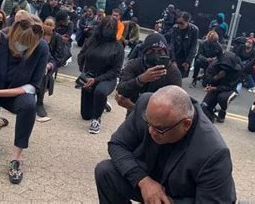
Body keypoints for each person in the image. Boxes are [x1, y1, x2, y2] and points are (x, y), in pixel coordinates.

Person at [95, 85, 237, 203]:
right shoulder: (147, 106)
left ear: (186, 124)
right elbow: (117, 144)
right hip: (151, 181)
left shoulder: (213, 152)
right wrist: (143, 181)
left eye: (159, 129)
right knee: (106, 171)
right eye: (148, 123)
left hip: (184, 198)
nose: (151, 131)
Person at [0, 15, 48, 184]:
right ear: (12, 32)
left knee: (29, 104)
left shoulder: (41, 47)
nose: (21, 50)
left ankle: (16, 158)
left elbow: (32, 86)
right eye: (20, 43)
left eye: (27, 47)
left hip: (14, 95)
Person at [77, 16, 124, 134]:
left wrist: (96, 80)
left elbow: (116, 71)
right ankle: (101, 104)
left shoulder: (118, 47)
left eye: (111, 28)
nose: (108, 30)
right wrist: (84, 74)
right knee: (85, 115)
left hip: (107, 78)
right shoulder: (92, 41)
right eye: (106, 27)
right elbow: (81, 56)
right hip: (90, 76)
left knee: (100, 91)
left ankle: (96, 120)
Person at [116, 33, 182, 114]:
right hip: (133, 117)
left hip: (158, 122)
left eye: (160, 52)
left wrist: (132, 107)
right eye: (151, 51)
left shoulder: (173, 72)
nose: (156, 55)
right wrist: (141, 79)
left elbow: (173, 107)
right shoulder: (134, 65)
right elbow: (121, 90)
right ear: (144, 52)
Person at [36, 17, 70, 117]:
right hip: (36, 61)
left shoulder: (57, 38)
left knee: (44, 74)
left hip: (51, 63)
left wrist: (50, 65)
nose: (48, 26)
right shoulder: (37, 34)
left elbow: (59, 56)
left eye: (50, 25)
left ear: (54, 27)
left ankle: (39, 102)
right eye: (46, 24)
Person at [201, 51, 243, 123]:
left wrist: (215, 88)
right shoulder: (213, 65)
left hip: (230, 89)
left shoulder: (237, 70)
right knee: (204, 107)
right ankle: (212, 111)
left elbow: (230, 87)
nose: (224, 69)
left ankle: (222, 111)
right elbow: (205, 82)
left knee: (222, 97)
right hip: (215, 86)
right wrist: (216, 77)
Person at [169, 11, 199, 78]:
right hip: (176, 54)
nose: (179, 25)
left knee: (180, 76)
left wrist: (188, 61)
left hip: (186, 55)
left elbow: (193, 46)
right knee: (171, 74)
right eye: (178, 22)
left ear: (187, 21)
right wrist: (173, 60)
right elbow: (172, 44)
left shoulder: (194, 30)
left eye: (181, 23)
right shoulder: (175, 28)